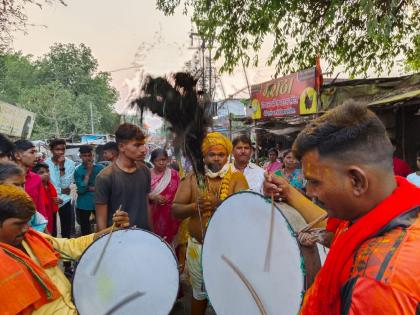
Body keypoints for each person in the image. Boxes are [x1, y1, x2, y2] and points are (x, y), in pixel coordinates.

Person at [265, 101, 420, 314]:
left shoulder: (375, 285)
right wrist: (288, 193)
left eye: (315, 182)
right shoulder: (391, 209)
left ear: (356, 181)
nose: (310, 192)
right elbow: (333, 227)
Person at [0, 184, 130, 315]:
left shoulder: (32, 237)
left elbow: (70, 246)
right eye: (19, 224)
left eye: (27, 222)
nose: (26, 228)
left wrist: (111, 231)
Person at [172, 132, 249, 315]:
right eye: (212, 154)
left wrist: (221, 205)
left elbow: (246, 211)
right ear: (204, 156)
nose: (217, 159)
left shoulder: (237, 178)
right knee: (199, 294)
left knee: (227, 293)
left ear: (227, 156)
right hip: (197, 247)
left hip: (228, 249)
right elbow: (175, 210)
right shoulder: (192, 178)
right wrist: (194, 206)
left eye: (221, 155)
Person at [95, 123, 152, 231]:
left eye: (144, 144)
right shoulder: (105, 177)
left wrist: (152, 234)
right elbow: (101, 221)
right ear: (122, 147)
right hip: (117, 240)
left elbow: (147, 206)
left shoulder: (145, 171)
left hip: (143, 237)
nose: (144, 149)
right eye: (137, 145)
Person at [0, 162, 48, 232]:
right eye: (16, 185)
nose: (22, 190)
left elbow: (41, 222)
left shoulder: (24, 204)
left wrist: (30, 235)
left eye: (23, 185)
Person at [45, 139, 76, 238]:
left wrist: (61, 166)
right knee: (52, 230)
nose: (61, 152)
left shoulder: (70, 163)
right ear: (51, 150)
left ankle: (65, 251)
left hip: (65, 200)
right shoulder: (46, 164)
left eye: (63, 149)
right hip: (51, 200)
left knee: (66, 231)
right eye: (57, 149)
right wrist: (58, 192)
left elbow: (64, 185)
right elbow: (45, 184)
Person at [149, 148, 180, 244]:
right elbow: (141, 193)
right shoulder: (147, 174)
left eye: (164, 160)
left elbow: (179, 193)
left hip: (170, 214)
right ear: (153, 161)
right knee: (154, 240)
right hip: (152, 212)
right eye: (158, 160)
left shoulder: (174, 174)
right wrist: (153, 197)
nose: (161, 163)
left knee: (169, 241)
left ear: (168, 160)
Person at [74, 145, 104, 235]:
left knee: (102, 226)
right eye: (84, 156)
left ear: (93, 155)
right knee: (85, 228)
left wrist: (90, 188)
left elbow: (105, 186)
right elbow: (82, 189)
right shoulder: (78, 170)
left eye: (89, 155)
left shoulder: (101, 168)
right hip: (84, 202)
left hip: (99, 201)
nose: (87, 158)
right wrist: (88, 173)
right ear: (80, 157)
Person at [13, 140, 47, 219]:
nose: (36, 156)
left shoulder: (36, 178)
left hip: (33, 225)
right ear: (17, 155)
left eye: (35, 152)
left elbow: (40, 205)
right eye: (32, 152)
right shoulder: (6, 178)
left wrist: (44, 226)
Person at [33, 162, 61, 234]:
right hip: (41, 218)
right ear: (35, 175)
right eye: (41, 172)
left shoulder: (50, 185)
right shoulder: (35, 188)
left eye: (47, 171)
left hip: (52, 215)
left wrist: (59, 200)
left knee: (53, 234)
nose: (46, 174)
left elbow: (53, 199)